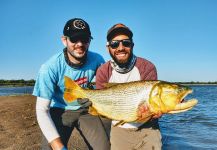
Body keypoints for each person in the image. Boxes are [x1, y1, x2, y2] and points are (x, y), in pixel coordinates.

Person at [33, 18, 110, 150]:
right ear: (64, 40)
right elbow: (41, 110)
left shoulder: (97, 60)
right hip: (59, 110)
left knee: (104, 148)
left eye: (85, 39)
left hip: (85, 110)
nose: (80, 44)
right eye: (74, 39)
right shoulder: (49, 68)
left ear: (89, 41)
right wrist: (58, 146)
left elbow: (107, 89)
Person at [96, 23, 162, 150]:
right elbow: (103, 112)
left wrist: (154, 112)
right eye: (115, 44)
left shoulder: (147, 67)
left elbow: (154, 104)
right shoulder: (103, 71)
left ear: (132, 45)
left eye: (126, 43)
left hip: (148, 128)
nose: (121, 48)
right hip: (119, 129)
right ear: (108, 48)